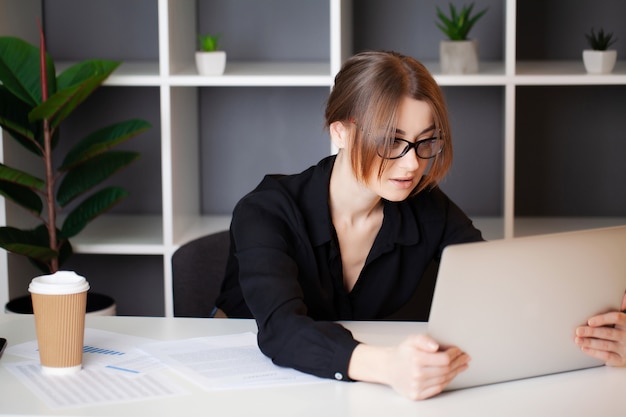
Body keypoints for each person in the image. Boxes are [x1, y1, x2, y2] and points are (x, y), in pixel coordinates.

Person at [214, 50, 626, 400]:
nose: (412, 164)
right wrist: (388, 365)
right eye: (392, 141)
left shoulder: (424, 206)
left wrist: (601, 335)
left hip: (360, 396)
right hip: (249, 386)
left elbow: (500, 286)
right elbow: (280, 329)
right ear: (340, 131)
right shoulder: (266, 211)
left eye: (425, 141)